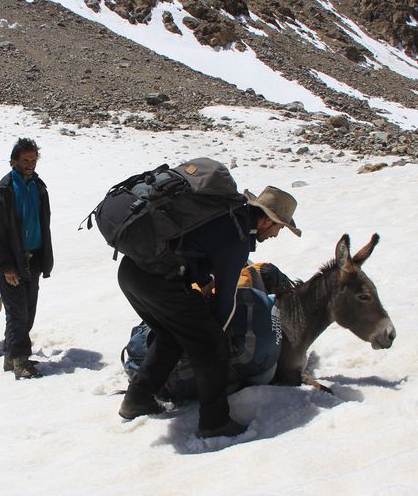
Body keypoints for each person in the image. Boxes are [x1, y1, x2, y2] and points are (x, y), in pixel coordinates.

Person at [116, 185, 301, 438]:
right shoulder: (237, 237)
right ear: (268, 220)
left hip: (131, 273)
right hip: (158, 282)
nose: (277, 234)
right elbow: (226, 302)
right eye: (280, 227)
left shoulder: (225, 217)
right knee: (211, 344)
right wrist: (217, 336)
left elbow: (195, 251)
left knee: (169, 336)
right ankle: (215, 422)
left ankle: (137, 400)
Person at [0, 138, 54, 380]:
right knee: (18, 313)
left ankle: (11, 357)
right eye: (25, 160)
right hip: (12, 263)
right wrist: (5, 267)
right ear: (13, 161)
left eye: (33, 160)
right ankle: (20, 362)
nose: (30, 164)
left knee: (28, 310)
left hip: (33, 259)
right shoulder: (1, 193)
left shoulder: (38, 186)